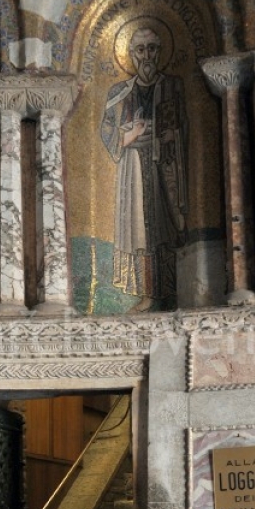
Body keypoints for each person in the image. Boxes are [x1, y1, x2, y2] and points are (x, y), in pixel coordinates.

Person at [100, 25, 188, 310]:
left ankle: (173, 291)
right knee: (140, 228)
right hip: (134, 167)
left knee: (165, 226)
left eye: (152, 49)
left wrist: (170, 134)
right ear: (131, 54)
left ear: (160, 52)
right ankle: (147, 293)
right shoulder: (120, 91)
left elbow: (184, 125)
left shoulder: (172, 85)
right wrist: (131, 135)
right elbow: (107, 130)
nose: (147, 56)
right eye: (141, 50)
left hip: (165, 166)